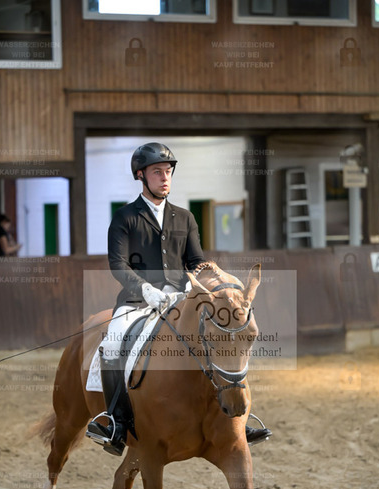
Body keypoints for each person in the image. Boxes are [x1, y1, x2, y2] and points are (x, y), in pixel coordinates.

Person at [86, 142, 268, 455]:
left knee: (222, 337)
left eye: (168, 171)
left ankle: (237, 419)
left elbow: (196, 262)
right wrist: (146, 290)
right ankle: (115, 422)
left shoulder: (185, 218)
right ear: (141, 176)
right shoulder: (125, 217)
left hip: (182, 298)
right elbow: (119, 265)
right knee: (113, 343)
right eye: (157, 172)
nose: (164, 177)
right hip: (137, 301)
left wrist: (211, 279)